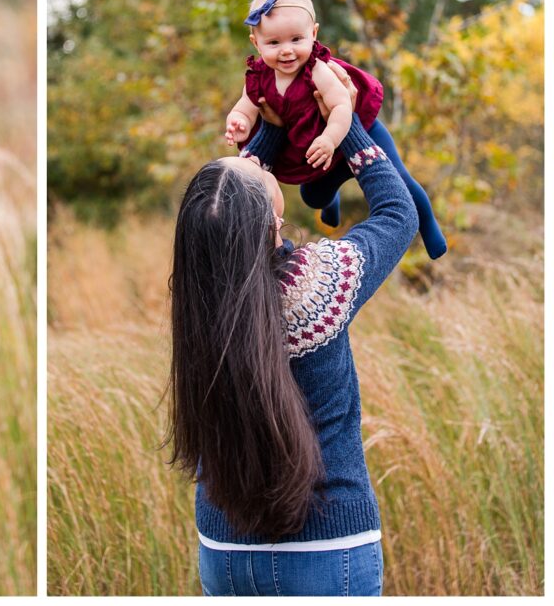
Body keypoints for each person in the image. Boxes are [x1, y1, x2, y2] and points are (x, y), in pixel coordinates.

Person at [167, 75, 418, 596]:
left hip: (226, 553)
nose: (257, 163)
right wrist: (342, 119)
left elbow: (233, 198)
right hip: (329, 550)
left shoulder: (197, 299)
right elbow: (398, 212)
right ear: (272, 223)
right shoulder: (318, 281)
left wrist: (273, 116)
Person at [223, 0, 446, 259]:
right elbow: (245, 108)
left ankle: (429, 227)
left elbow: (342, 106)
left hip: (355, 131)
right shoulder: (259, 77)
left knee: (400, 179)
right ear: (256, 43)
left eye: (296, 39)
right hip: (314, 144)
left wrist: (330, 138)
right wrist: (238, 122)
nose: (287, 51)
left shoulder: (318, 70)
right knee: (313, 197)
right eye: (274, 43)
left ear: (313, 34)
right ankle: (332, 199)